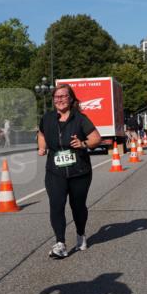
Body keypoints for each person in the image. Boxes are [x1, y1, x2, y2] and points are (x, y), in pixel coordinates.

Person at [37, 85, 101, 259]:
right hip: (54, 171)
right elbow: (41, 134)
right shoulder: (48, 118)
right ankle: (60, 243)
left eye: (63, 96)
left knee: (78, 206)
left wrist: (83, 144)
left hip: (79, 171)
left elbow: (96, 138)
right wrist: (42, 147)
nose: (59, 99)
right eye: (56, 97)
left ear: (71, 99)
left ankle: (80, 233)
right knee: (56, 205)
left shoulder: (80, 119)